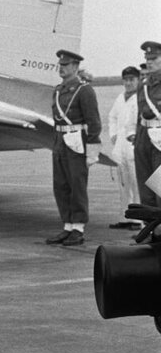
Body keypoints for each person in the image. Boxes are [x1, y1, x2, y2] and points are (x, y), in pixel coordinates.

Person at [44, 49, 101, 247]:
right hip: (60, 140)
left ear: (75, 67)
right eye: (60, 65)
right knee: (61, 185)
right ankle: (67, 225)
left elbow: (94, 122)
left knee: (77, 185)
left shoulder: (84, 90)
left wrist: (92, 149)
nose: (62, 68)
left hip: (77, 142)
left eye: (66, 65)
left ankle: (78, 228)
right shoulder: (58, 90)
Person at [105, 66, 142, 229]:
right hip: (120, 146)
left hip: (135, 145)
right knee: (123, 183)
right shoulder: (121, 97)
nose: (128, 83)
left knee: (136, 183)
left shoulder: (141, 97)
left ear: (138, 80)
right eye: (126, 80)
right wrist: (113, 134)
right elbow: (112, 116)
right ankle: (125, 217)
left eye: (131, 80)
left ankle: (138, 219)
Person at [134, 41, 161, 207]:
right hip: (144, 138)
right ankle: (152, 230)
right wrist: (138, 141)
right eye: (147, 58)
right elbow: (140, 114)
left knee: (160, 190)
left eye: (154, 58)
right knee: (145, 188)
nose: (149, 61)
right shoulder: (143, 85)